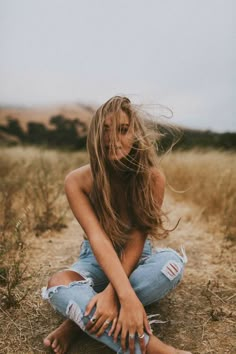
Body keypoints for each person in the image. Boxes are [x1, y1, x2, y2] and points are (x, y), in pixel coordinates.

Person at [42, 96, 191, 354]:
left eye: (123, 129)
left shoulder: (153, 178)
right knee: (58, 284)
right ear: (95, 136)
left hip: (138, 258)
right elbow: (97, 237)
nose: (113, 138)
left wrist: (116, 293)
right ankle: (157, 350)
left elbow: (137, 238)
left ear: (135, 135)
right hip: (95, 258)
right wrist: (126, 296)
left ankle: (77, 322)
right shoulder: (77, 181)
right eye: (105, 130)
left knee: (171, 265)